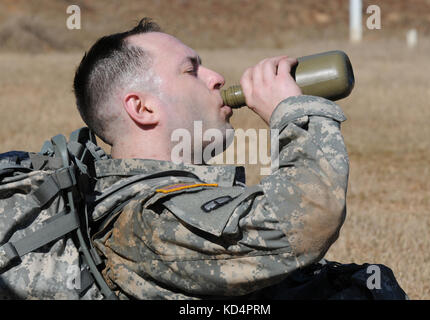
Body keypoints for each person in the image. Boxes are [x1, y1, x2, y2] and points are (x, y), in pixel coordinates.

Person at [72, 18, 405, 300]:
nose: (216, 78)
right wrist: (295, 113)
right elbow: (304, 223)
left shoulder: (150, 199)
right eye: (191, 70)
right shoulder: (148, 219)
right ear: (143, 107)